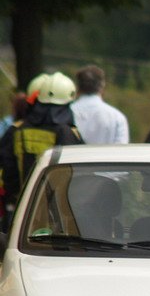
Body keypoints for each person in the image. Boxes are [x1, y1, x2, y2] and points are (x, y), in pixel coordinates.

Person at [0, 72, 84, 209]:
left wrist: (13, 197)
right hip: (57, 209)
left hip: (21, 206)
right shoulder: (67, 132)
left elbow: (8, 169)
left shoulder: (18, 130)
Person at [69, 65, 129, 144]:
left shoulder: (67, 113)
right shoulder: (117, 117)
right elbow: (121, 151)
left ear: (77, 87)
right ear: (102, 85)